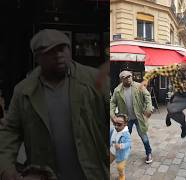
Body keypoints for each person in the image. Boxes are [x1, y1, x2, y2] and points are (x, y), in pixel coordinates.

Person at [0, 29, 108, 180]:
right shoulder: (24, 91)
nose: (59, 55)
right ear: (38, 57)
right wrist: (5, 167)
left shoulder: (94, 80)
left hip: (91, 173)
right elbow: (10, 131)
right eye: (51, 51)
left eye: (62, 48)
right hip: (46, 173)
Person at [141, 57, 186, 138]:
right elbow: (155, 71)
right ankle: (184, 125)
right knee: (172, 110)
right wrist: (146, 79)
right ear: (180, 67)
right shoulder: (173, 69)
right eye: (183, 70)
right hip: (180, 96)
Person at [110, 70, 154, 164]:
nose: (129, 78)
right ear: (122, 79)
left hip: (139, 117)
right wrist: (112, 115)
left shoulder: (139, 86)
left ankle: (149, 152)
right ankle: (123, 153)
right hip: (126, 119)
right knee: (124, 137)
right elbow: (112, 103)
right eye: (126, 77)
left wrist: (149, 108)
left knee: (144, 137)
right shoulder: (117, 90)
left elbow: (147, 97)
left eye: (130, 76)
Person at [110, 113, 131, 180]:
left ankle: (122, 176)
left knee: (120, 167)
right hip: (112, 151)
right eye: (115, 123)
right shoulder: (113, 130)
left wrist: (121, 145)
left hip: (121, 154)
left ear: (125, 124)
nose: (116, 126)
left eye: (119, 124)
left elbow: (128, 143)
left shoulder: (126, 134)